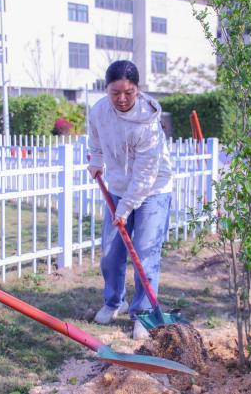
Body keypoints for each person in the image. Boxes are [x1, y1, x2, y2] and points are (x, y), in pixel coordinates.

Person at [87, 60, 173, 340]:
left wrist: (124, 209)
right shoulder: (99, 111)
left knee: (145, 254)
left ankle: (143, 313)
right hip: (118, 187)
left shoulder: (147, 122)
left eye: (129, 92)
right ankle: (115, 302)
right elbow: (96, 139)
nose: (122, 99)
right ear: (106, 90)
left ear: (138, 89)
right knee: (111, 252)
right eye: (115, 93)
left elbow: (145, 175)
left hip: (153, 190)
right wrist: (97, 160)